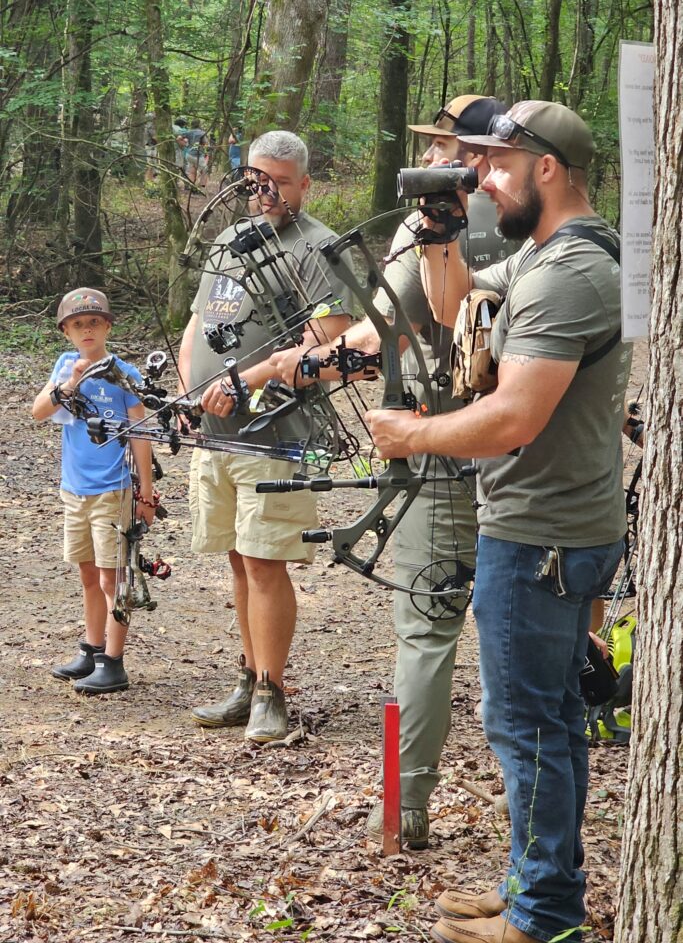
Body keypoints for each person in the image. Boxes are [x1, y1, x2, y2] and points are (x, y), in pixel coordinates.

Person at [365, 101, 632, 943]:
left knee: (524, 726)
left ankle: (540, 917)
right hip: (553, 524)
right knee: (548, 720)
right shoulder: (552, 252)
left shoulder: (567, 273)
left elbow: (513, 416)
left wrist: (410, 434)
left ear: (545, 167)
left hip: (539, 533)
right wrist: (439, 238)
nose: (480, 180)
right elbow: (459, 310)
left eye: (495, 165)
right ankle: (535, 887)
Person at [272, 95, 518, 848]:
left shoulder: (469, 223)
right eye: (433, 146)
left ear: (477, 156)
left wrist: (290, 367)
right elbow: (389, 325)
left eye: (445, 146)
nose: (432, 158)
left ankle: (406, 806)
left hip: (447, 448)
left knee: (429, 626)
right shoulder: (497, 220)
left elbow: (391, 332)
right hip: (494, 445)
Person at [179, 130, 356, 743]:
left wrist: (244, 381)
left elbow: (329, 338)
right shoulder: (229, 239)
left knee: (263, 560)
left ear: (304, 183)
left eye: (281, 181)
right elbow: (197, 325)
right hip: (216, 433)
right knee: (236, 557)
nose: (267, 190)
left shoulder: (319, 246)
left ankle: (271, 692)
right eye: (257, 178)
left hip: (277, 434)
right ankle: (249, 677)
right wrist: (190, 395)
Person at [32, 289, 156, 694]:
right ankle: (92, 648)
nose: (87, 330)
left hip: (113, 489)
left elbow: (140, 433)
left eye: (94, 322)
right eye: (78, 324)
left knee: (112, 577)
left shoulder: (124, 374)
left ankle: (113, 662)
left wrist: (146, 493)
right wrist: (70, 383)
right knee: (87, 571)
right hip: (74, 488)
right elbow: (38, 411)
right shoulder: (64, 366)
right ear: (65, 331)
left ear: (107, 327)